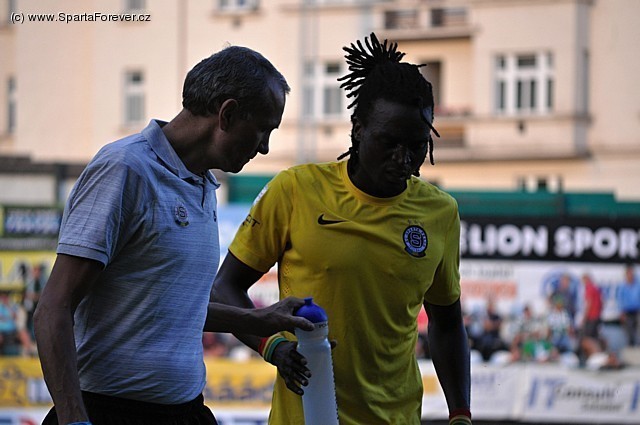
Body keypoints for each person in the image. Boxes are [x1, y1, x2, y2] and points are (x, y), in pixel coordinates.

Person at [33, 45, 314, 425]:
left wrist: (256, 320)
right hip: (108, 411)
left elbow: (174, 309)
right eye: (263, 130)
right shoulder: (125, 169)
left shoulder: (203, 184)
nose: (264, 147)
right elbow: (54, 307)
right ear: (228, 114)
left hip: (185, 411)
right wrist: (74, 420)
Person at [212, 33, 471, 425]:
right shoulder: (296, 189)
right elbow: (226, 288)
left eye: (418, 145)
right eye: (388, 142)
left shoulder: (440, 212)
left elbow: (447, 325)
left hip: (397, 417)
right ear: (358, 128)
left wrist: (461, 414)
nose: (403, 158)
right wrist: (273, 347)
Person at [617, 263, 640, 346]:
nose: (630, 275)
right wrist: (621, 312)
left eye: (631, 273)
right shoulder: (622, 286)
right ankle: (631, 346)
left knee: (637, 330)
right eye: (629, 273)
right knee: (629, 331)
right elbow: (620, 299)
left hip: (637, 311)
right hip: (627, 311)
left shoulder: (637, 284)